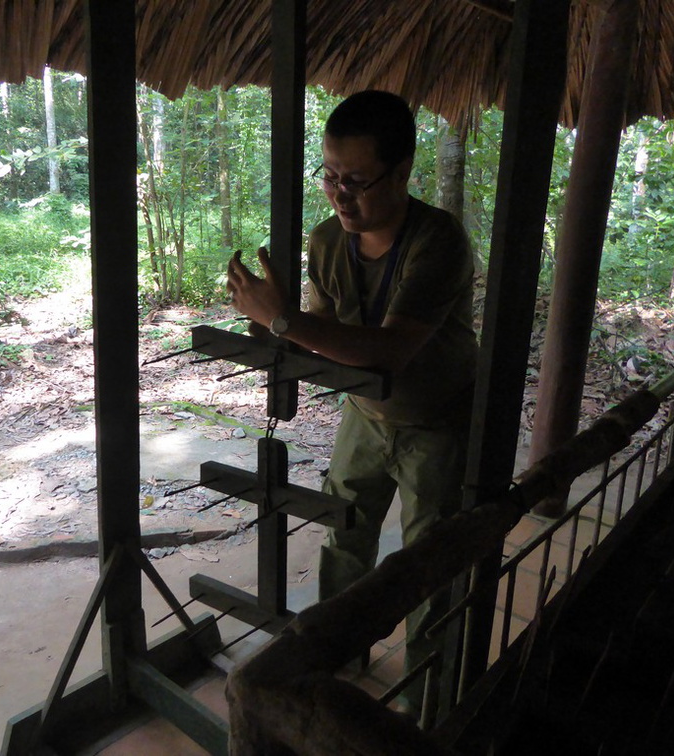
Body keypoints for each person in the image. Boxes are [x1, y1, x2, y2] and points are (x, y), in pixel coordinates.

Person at [226, 89, 478, 716]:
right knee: (344, 535)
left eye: (358, 181)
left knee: (428, 564)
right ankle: (334, 668)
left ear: (401, 173)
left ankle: (427, 705)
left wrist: (282, 321)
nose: (340, 194)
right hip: (364, 415)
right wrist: (271, 325)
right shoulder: (327, 240)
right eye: (330, 176)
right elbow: (324, 330)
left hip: (437, 422)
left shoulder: (438, 242)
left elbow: (387, 351)